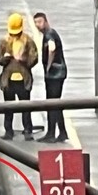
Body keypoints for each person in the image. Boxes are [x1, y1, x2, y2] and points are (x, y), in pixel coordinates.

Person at [0, 12, 38, 139]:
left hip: (23, 80)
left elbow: (34, 58)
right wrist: (5, 59)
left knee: (26, 107)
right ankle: (8, 131)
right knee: (8, 108)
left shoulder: (28, 41)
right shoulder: (4, 41)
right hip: (8, 80)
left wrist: (24, 60)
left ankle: (28, 130)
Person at [34, 11, 68, 143]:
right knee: (56, 103)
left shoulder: (49, 35)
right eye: (36, 22)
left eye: (40, 22)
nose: (38, 25)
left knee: (51, 103)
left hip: (55, 75)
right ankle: (62, 132)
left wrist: (48, 67)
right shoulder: (49, 33)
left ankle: (51, 133)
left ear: (46, 21)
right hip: (58, 73)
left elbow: (52, 49)